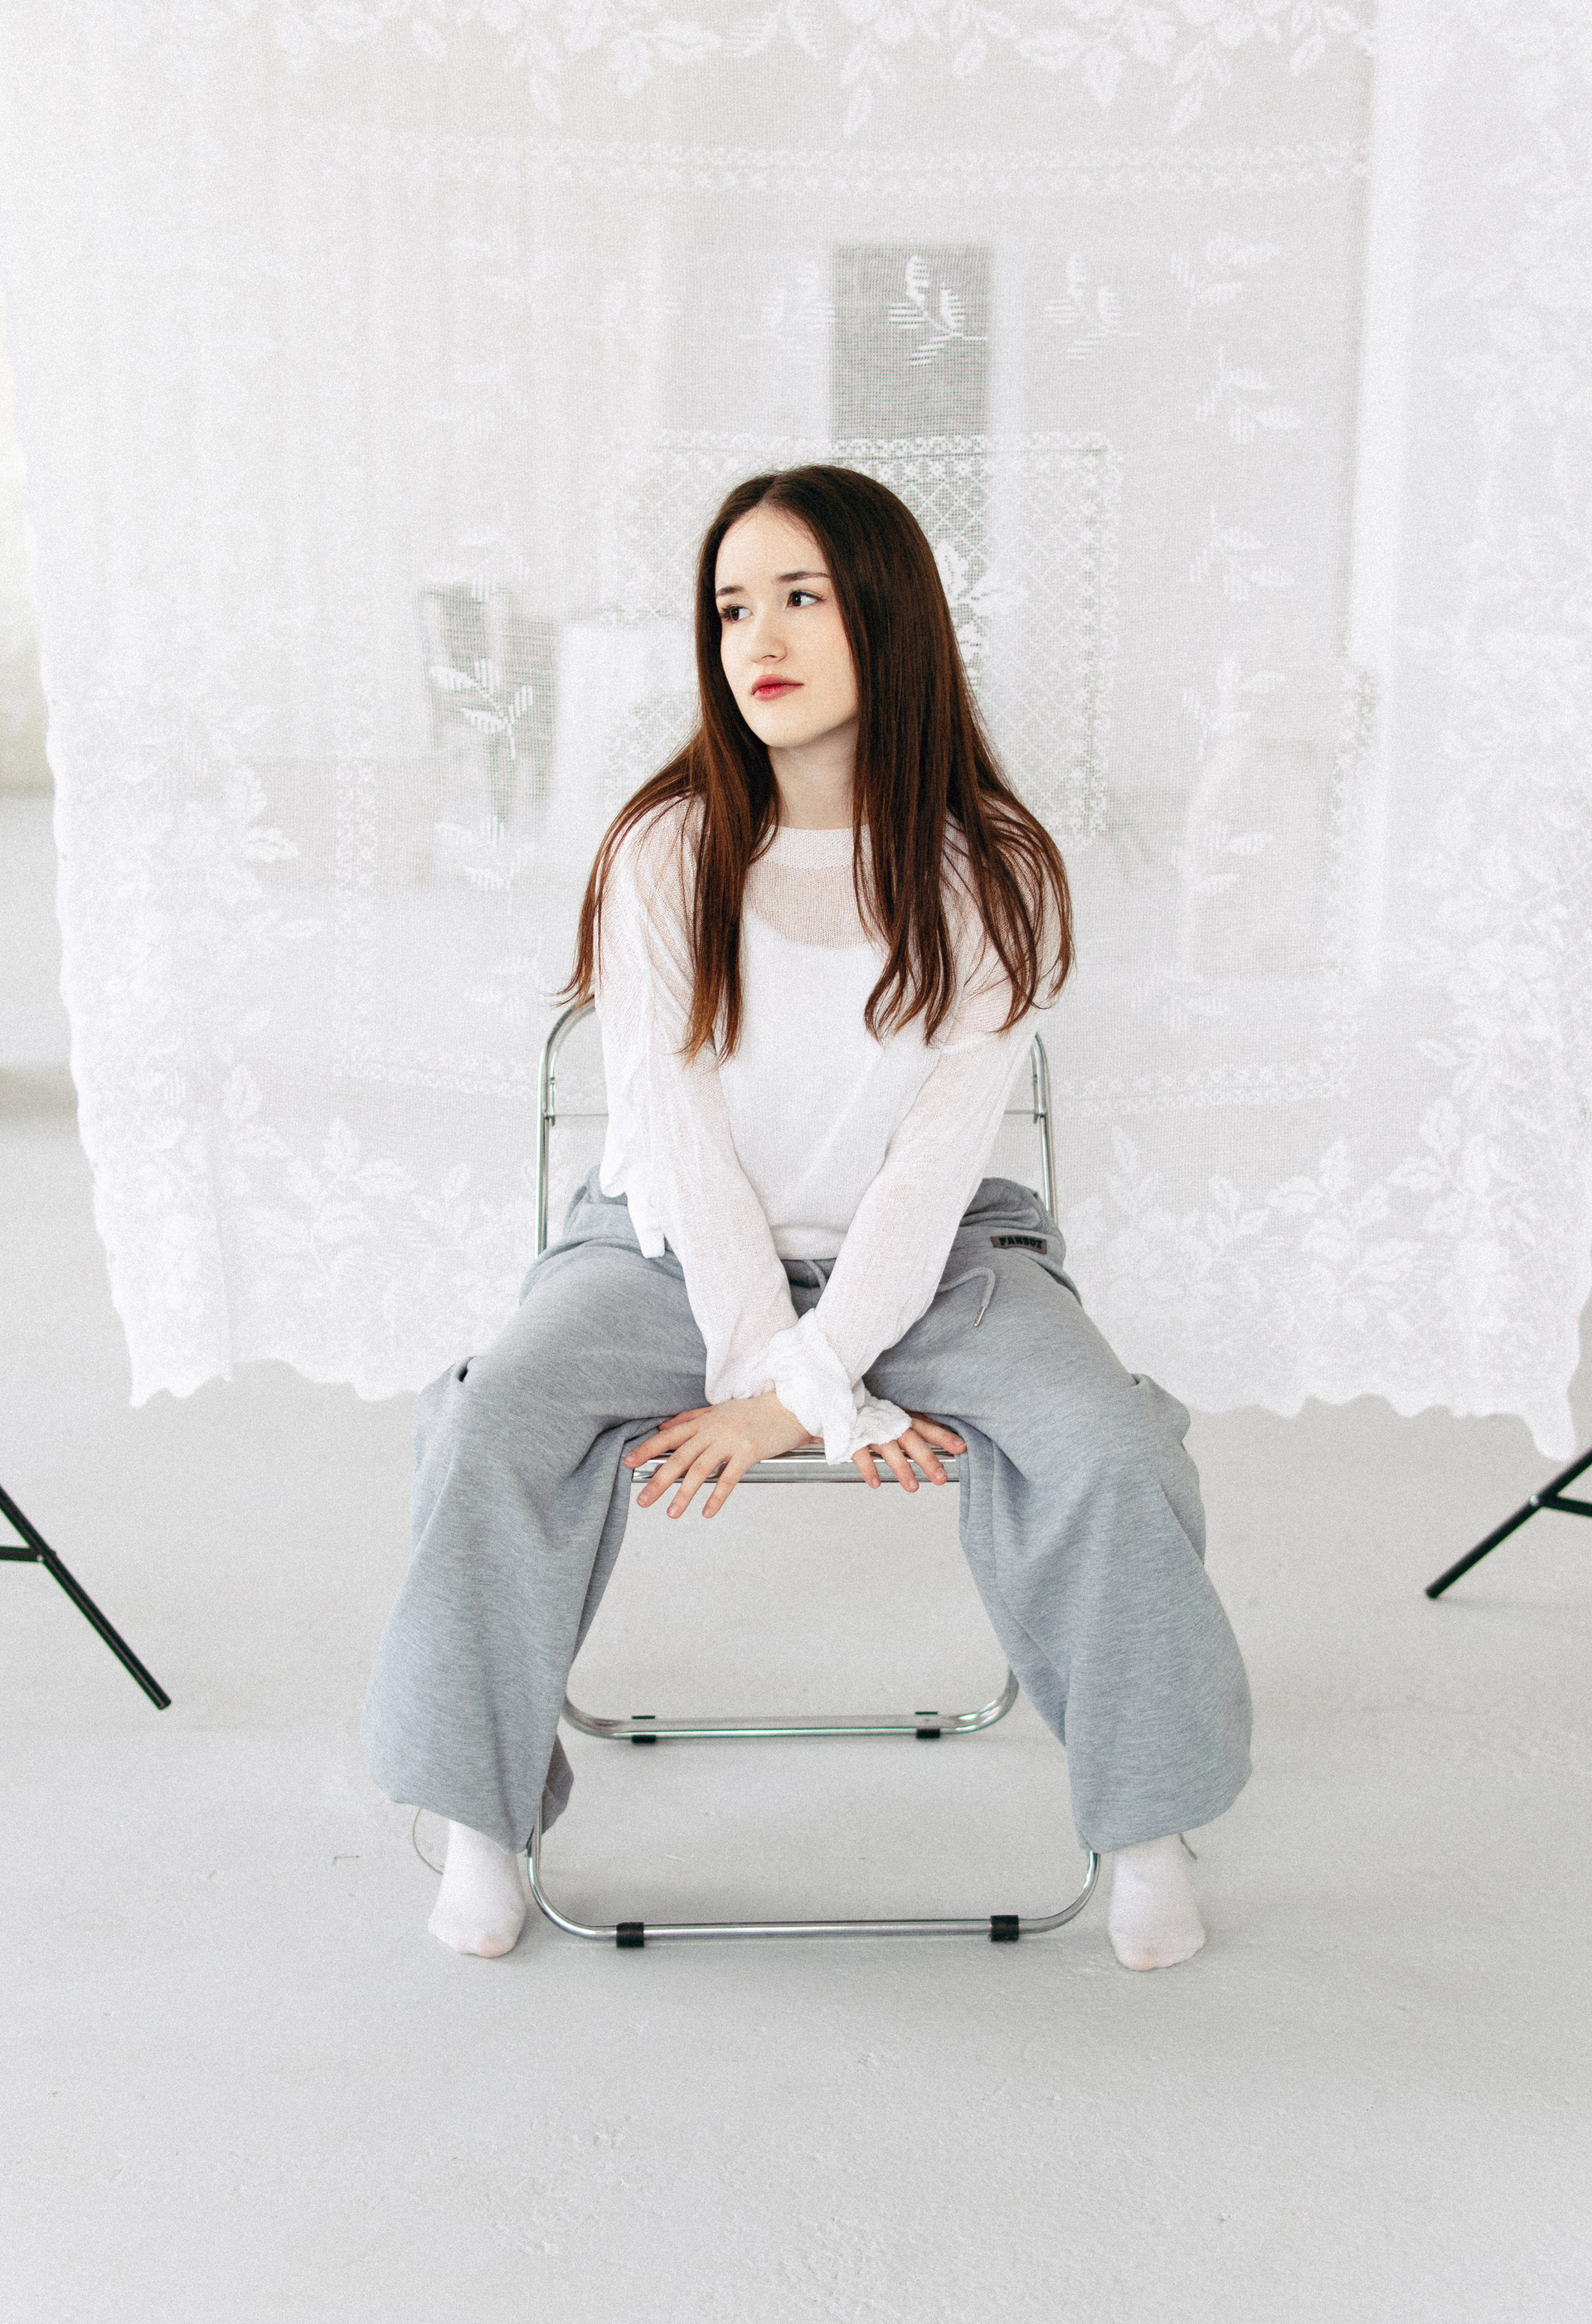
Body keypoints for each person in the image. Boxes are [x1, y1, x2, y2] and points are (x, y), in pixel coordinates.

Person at [363, 466, 1252, 1970]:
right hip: (663, 1249)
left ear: (888, 617)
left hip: (932, 1261)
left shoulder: (995, 873)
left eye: (800, 598)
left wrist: (805, 1388)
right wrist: (776, 1365)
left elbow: (928, 1173)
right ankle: (480, 1817)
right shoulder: (664, 850)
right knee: (491, 1421)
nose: (756, 640)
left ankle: (1149, 1823)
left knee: (1107, 1443)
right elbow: (685, 1146)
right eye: (730, 609)